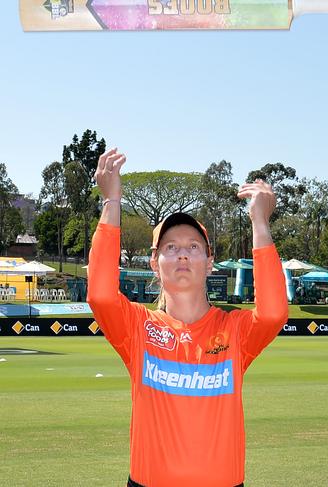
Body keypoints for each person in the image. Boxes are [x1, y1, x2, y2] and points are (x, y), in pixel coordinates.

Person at [87, 148, 288, 487]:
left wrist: (260, 223)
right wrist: (111, 203)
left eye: (194, 246)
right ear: (154, 263)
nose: (182, 252)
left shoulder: (234, 331)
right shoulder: (138, 328)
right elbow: (101, 295)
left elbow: (273, 313)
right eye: (170, 247)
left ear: (210, 263)